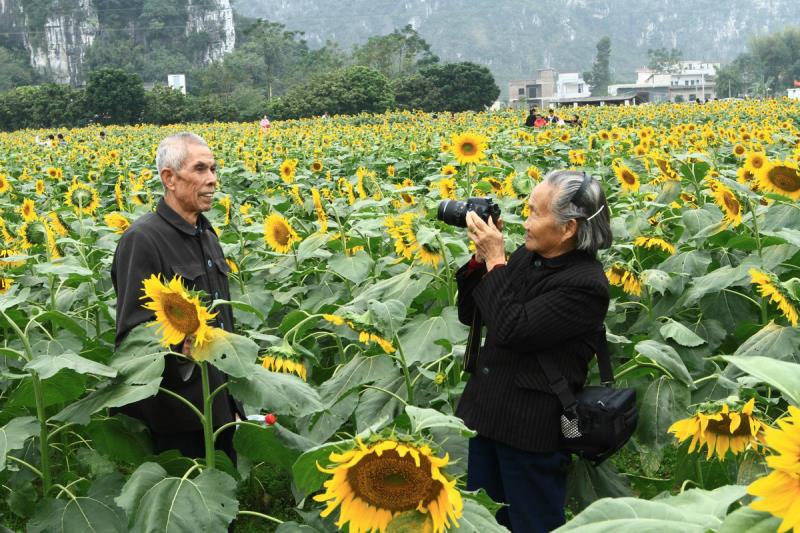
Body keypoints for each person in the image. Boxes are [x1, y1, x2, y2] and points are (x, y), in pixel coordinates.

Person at [456, 170, 613, 532]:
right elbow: (475, 314)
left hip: (529, 430)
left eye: (534, 214)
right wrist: (482, 260)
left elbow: (512, 329)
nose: (524, 223)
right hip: (488, 414)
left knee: (531, 522)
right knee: (482, 520)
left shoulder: (585, 286)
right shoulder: (531, 257)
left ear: (568, 228)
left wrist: (498, 260)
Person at [111, 132, 244, 461]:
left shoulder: (207, 234)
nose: (212, 179)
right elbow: (135, 336)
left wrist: (233, 402)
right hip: (177, 410)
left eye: (213, 169)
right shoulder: (143, 240)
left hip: (219, 402)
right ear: (169, 178)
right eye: (200, 169)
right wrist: (177, 346)